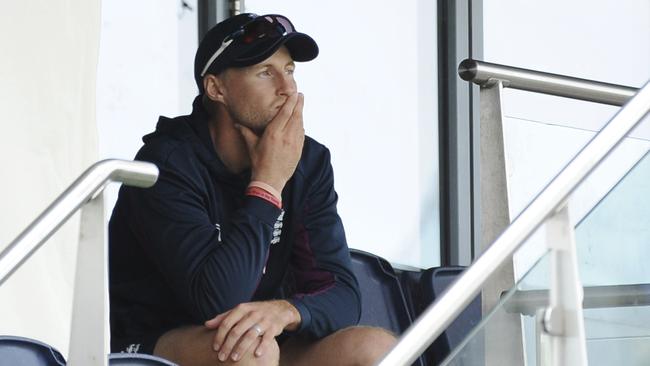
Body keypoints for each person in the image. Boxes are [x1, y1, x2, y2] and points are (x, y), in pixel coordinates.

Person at [109, 13, 396, 366]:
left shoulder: (308, 161)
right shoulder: (168, 163)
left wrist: (286, 311)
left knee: (377, 350)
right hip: (156, 343)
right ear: (217, 89)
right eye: (265, 72)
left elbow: (342, 294)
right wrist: (267, 185)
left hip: (261, 340)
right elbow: (217, 300)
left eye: (289, 70)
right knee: (253, 349)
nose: (287, 89)